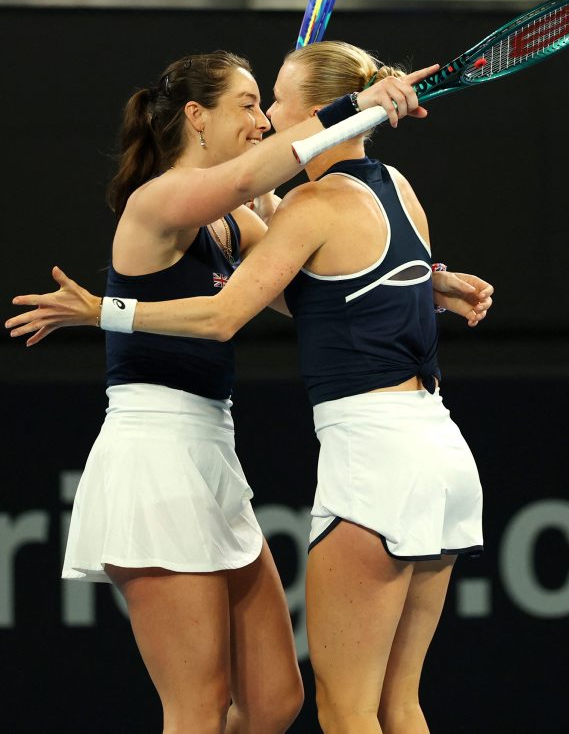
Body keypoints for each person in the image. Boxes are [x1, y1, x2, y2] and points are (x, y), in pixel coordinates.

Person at [8, 42, 492, 734]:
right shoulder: (160, 199)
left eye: (269, 105)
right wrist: (354, 108)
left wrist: (421, 284)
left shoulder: (238, 219)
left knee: (272, 702)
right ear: (196, 117)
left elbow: (314, 283)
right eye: (249, 104)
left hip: (215, 453)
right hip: (153, 457)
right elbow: (246, 212)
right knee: (199, 708)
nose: (264, 120)